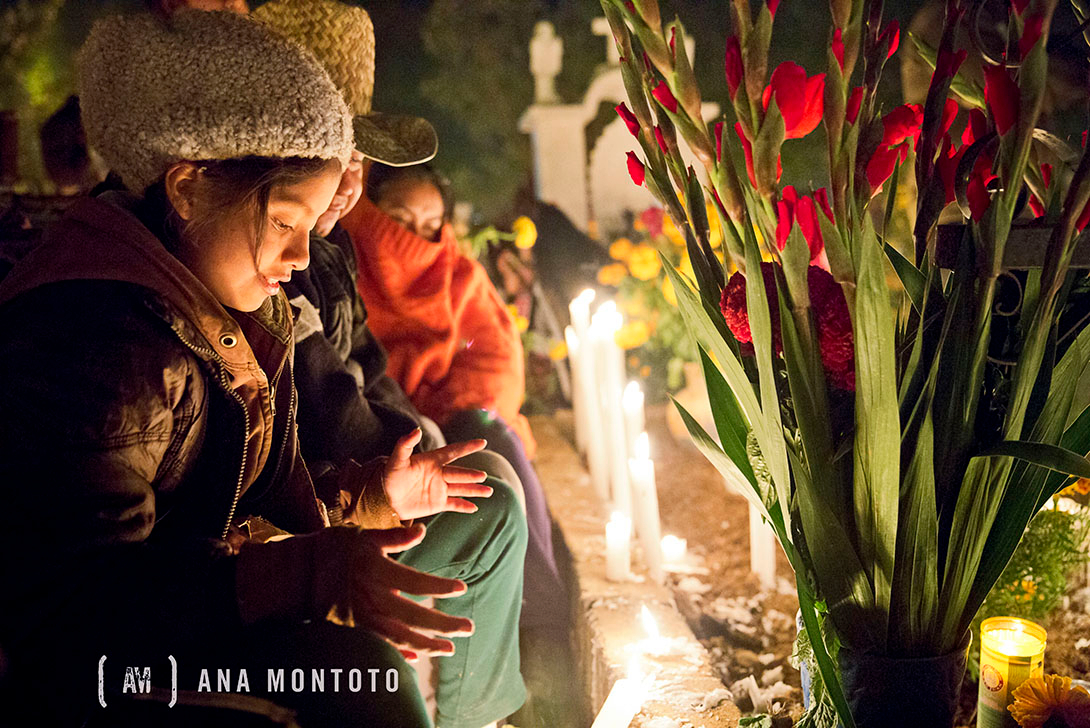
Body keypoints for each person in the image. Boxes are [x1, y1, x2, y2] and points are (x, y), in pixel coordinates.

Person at [0, 11, 484, 727]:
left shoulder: (232, 314)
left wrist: (367, 497)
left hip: (168, 625)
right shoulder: (99, 345)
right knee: (360, 679)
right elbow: (80, 613)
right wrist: (315, 571)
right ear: (188, 189)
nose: (300, 257)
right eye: (284, 222)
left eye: (311, 227)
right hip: (92, 679)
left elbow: (244, 510)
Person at [252, 3, 529, 726]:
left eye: (358, 160)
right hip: (298, 530)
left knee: (490, 466)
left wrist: (419, 447)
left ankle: (484, 705)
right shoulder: (274, 261)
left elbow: (374, 370)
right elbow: (327, 403)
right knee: (489, 503)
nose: (347, 181)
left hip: (347, 493)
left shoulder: (328, 249)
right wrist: (386, 483)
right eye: (330, 158)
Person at [341, 163, 574, 670]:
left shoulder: (459, 274)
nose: (417, 236)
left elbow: (493, 357)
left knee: (493, 443)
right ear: (369, 208)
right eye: (401, 219)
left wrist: (446, 411)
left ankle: (541, 625)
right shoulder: (344, 269)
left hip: (457, 420)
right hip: (385, 437)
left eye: (431, 224)